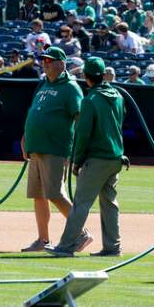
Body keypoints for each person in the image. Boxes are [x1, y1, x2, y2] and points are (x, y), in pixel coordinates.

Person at [46, 57, 125, 257]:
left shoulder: (89, 100)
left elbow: (83, 134)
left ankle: (66, 246)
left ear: (86, 77)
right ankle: (112, 247)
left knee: (81, 203)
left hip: (97, 158)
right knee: (109, 203)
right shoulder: (117, 96)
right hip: (116, 157)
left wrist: (76, 161)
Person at [20, 46, 87, 252]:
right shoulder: (43, 85)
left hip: (56, 148)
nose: (44, 63)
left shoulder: (70, 87)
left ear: (61, 63)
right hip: (37, 147)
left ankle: (82, 233)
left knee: (55, 194)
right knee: (38, 195)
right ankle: (43, 240)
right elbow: (35, 113)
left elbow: (80, 117)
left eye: (49, 60)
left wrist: (78, 148)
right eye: (43, 60)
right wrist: (26, 139)